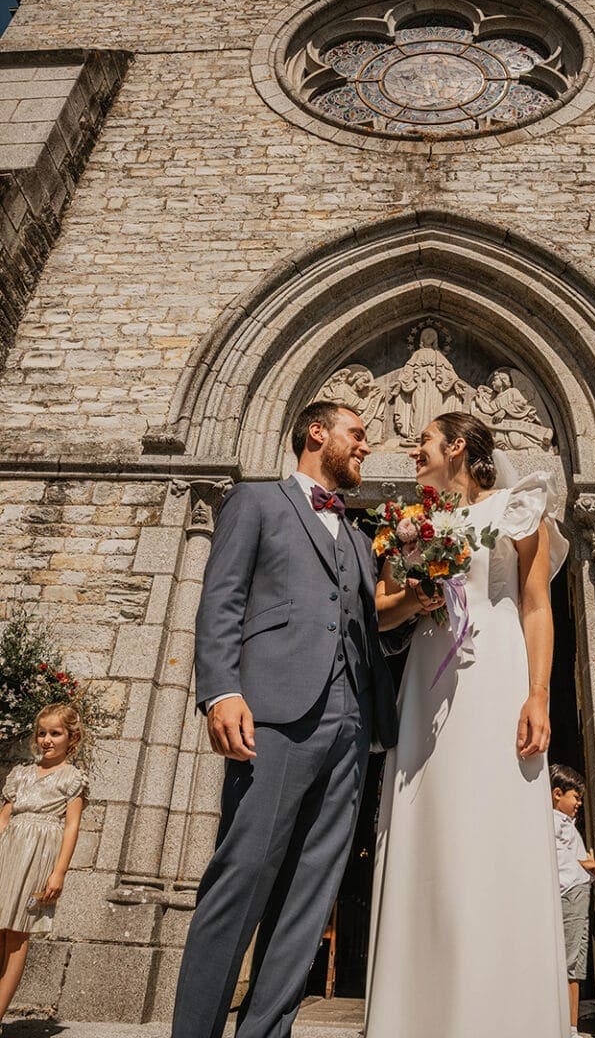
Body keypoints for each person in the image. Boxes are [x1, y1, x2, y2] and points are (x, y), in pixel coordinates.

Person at [172, 401, 398, 1038]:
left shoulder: (358, 536)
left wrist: (426, 598)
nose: (365, 448)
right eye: (357, 435)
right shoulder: (258, 502)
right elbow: (222, 598)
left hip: (351, 726)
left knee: (309, 896)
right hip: (271, 714)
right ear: (316, 433)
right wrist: (221, 692)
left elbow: (364, 624)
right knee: (241, 876)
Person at [365, 412, 571, 1038]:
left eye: (422, 441)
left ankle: (504, 1013)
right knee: (432, 822)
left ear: (456, 447)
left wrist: (538, 694)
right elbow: (380, 613)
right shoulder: (412, 525)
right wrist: (418, 596)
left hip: (498, 670)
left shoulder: (517, 508)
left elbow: (536, 605)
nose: (412, 449)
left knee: (494, 818)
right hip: (430, 680)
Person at [0, 703, 87, 1025]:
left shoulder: (72, 779)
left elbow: (72, 826)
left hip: (37, 859)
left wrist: (59, 872)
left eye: (55, 733)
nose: (47, 739)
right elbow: (4, 819)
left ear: (71, 737)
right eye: (42, 733)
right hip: (6, 854)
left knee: (17, 934)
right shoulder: (20, 775)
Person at [551, 764, 595, 1038]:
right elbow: (556, 860)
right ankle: (569, 1028)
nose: (579, 804)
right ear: (556, 794)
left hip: (575, 893)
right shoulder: (554, 821)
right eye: (576, 797)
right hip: (569, 894)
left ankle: (570, 1026)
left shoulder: (566, 824)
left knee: (574, 962)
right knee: (571, 962)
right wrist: (586, 863)